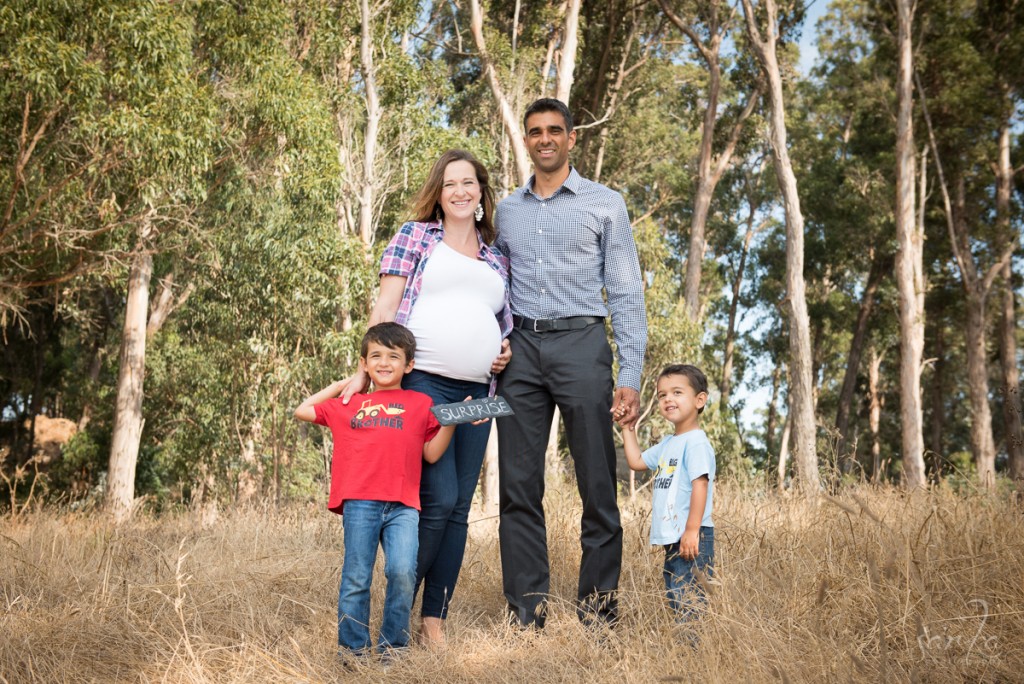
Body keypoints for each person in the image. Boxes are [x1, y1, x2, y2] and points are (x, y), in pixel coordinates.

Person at [337, 149, 513, 645]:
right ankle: (400, 607)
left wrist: (503, 349)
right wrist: (364, 373)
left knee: (460, 509)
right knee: (438, 498)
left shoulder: (498, 255)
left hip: (482, 391)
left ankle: (432, 618)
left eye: (470, 182)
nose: (461, 190)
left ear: (481, 192)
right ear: (439, 192)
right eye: (451, 183)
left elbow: (502, 321)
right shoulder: (416, 237)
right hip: (424, 384)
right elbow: (386, 307)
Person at [493, 97, 647, 628]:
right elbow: (494, 287)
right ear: (527, 140)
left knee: (597, 481)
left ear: (571, 138)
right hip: (521, 355)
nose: (544, 139)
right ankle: (526, 612)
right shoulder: (507, 211)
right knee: (517, 486)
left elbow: (627, 293)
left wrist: (629, 376)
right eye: (535, 131)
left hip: (582, 345)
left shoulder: (605, 203)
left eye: (554, 130)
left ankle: (599, 612)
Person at [293, 322, 456, 656]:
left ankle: (392, 648)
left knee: (401, 572)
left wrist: (452, 421)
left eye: (393, 356)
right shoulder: (350, 404)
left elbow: (432, 453)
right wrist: (346, 383)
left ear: (408, 365)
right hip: (360, 503)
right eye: (376, 356)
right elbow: (302, 410)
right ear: (364, 363)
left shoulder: (420, 403)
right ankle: (352, 650)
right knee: (356, 577)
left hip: (403, 505)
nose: (384, 362)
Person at [622, 364, 715, 620]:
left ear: (699, 399)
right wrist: (627, 428)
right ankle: (688, 649)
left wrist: (692, 530)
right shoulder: (668, 443)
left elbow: (701, 485)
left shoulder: (696, 442)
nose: (668, 399)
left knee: (689, 599)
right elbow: (637, 461)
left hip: (692, 535)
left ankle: (693, 650)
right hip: (676, 537)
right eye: (662, 395)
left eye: (676, 392)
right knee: (677, 594)